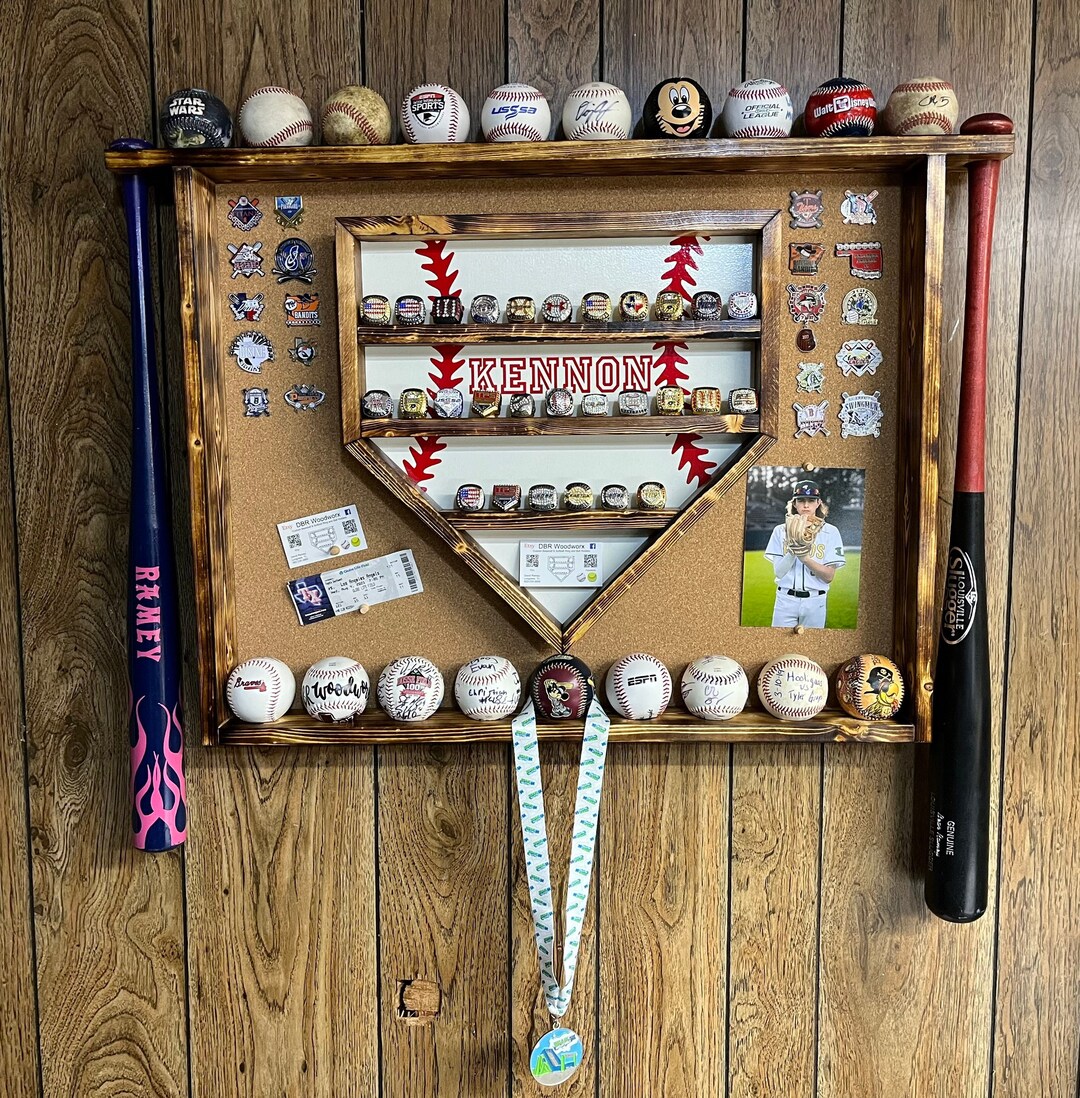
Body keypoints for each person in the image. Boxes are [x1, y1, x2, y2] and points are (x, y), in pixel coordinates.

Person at [764, 479, 845, 628]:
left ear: (818, 503)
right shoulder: (780, 531)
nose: (806, 505)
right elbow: (779, 572)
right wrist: (793, 551)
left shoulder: (831, 532)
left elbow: (829, 576)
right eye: (801, 500)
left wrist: (805, 558)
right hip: (785, 601)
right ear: (794, 503)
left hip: (815, 602)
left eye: (811, 500)